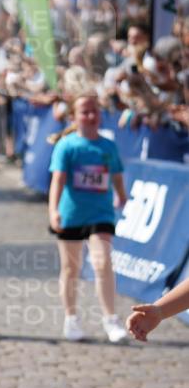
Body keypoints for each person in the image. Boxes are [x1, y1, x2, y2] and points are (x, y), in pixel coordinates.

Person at [48, 93, 129, 343]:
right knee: (71, 268)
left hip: (100, 214)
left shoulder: (107, 146)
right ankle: (71, 319)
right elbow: (58, 180)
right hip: (72, 214)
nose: (91, 116)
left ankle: (110, 319)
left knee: (103, 262)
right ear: (73, 117)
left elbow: (115, 174)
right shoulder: (67, 146)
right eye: (85, 112)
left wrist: (121, 196)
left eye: (94, 111)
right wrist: (53, 210)